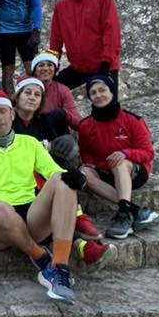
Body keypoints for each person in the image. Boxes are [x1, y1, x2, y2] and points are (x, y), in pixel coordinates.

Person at [0, 90, 87, 304]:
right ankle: (41, 258)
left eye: (3, 111)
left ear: (12, 114)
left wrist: (72, 176)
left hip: (30, 214)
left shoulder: (29, 143)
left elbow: (51, 171)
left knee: (63, 179)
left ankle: (59, 269)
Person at [13, 77, 111, 260]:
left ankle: (80, 222)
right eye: (27, 93)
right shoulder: (7, 120)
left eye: (37, 95)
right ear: (16, 97)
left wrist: (57, 145)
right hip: (19, 177)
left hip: (43, 171)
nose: (32, 98)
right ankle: (82, 240)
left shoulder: (44, 120)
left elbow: (52, 149)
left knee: (65, 167)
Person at [78, 75, 159, 240]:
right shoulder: (86, 125)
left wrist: (125, 153)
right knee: (83, 172)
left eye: (102, 90)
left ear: (112, 92)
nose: (98, 95)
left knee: (119, 163)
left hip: (133, 171)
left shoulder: (132, 120)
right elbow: (85, 150)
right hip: (105, 171)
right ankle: (134, 210)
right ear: (90, 98)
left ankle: (123, 216)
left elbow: (148, 153)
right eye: (93, 93)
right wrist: (89, 163)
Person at [48, 0, 121, 92]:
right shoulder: (61, 6)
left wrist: (106, 62)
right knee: (51, 90)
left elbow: (111, 32)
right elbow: (55, 40)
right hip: (79, 68)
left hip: (104, 66)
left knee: (106, 108)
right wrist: (52, 64)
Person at [30, 51, 81, 134]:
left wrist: (64, 114)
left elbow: (78, 123)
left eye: (50, 65)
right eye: (41, 65)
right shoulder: (26, 89)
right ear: (34, 71)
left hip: (58, 133)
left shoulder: (63, 90)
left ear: (55, 70)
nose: (46, 68)